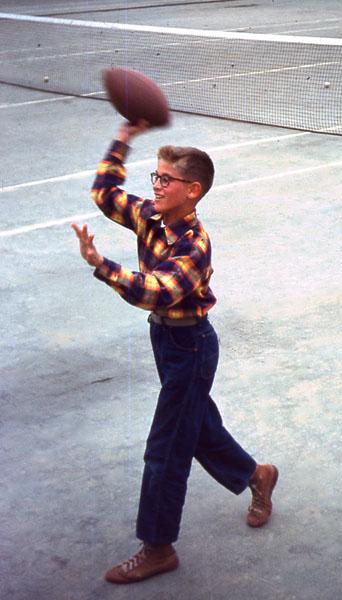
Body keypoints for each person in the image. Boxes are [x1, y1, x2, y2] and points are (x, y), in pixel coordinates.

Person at [72, 120, 278, 585]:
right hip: (165, 341)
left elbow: (157, 291)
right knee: (197, 426)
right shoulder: (151, 216)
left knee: (166, 448)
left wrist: (102, 266)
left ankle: (158, 547)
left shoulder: (194, 245)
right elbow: (105, 194)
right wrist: (124, 138)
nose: (157, 185)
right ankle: (257, 473)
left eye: (167, 179)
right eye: (156, 177)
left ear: (193, 190)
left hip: (190, 345)